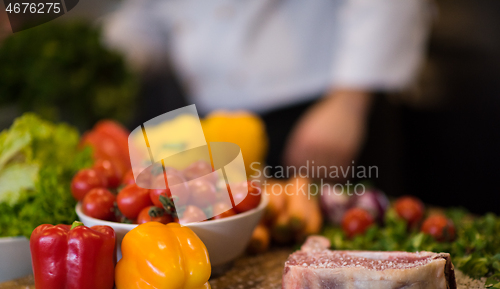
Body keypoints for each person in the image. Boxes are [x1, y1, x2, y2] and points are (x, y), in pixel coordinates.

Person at [103, 0, 432, 177]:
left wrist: (349, 102)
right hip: (213, 126)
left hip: (321, 112)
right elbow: (148, 14)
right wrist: (104, 57)